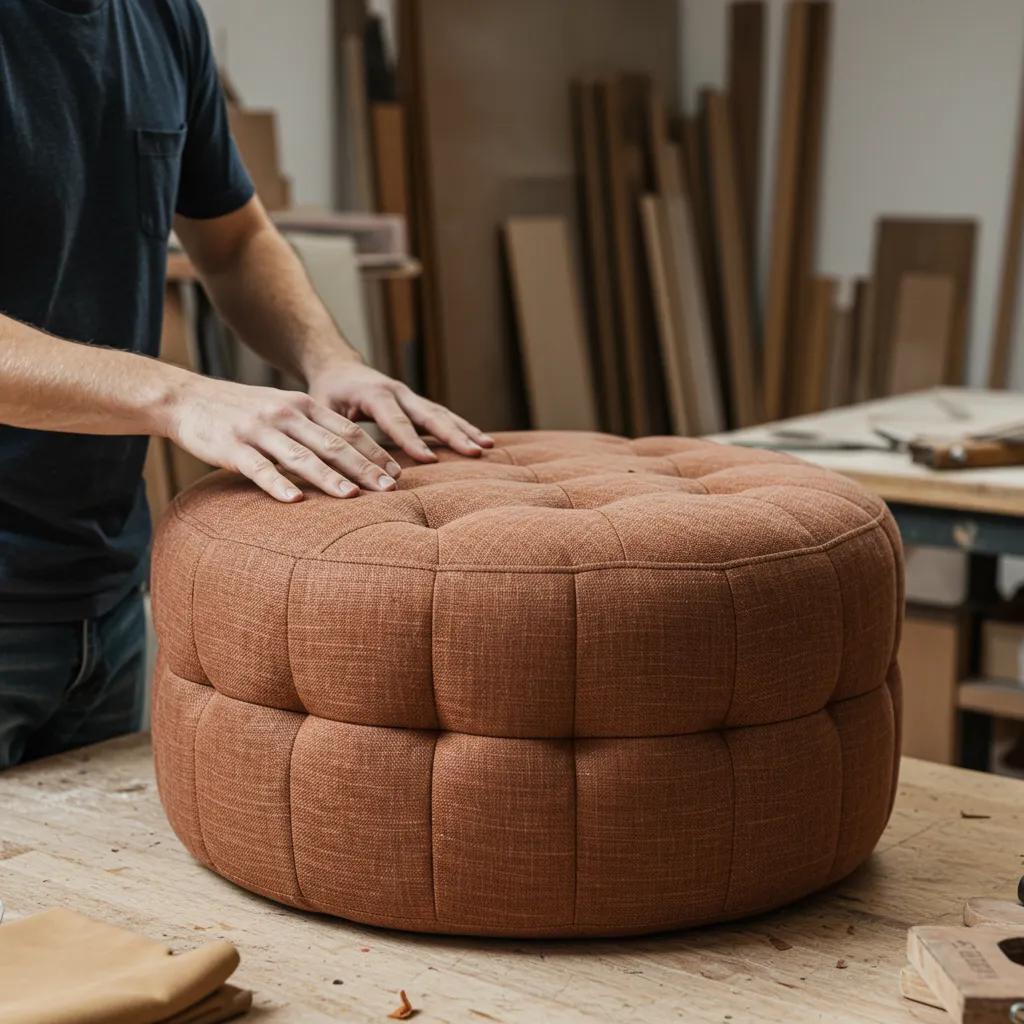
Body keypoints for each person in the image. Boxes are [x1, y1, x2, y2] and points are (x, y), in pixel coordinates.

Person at [0, 0, 492, 769]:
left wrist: (329, 359)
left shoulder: (160, 18)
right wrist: (178, 395)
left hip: (104, 589)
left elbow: (235, 241)